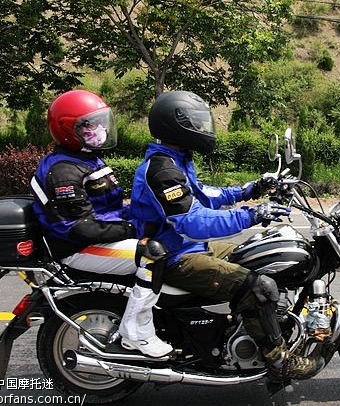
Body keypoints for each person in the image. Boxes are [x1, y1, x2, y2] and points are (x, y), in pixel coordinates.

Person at [129, 90, 323, 381]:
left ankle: (254, 324)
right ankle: (278, 359)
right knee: (257, 286)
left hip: (188, 246)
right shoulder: (161, 170)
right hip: (176, 256)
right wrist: (252, 214)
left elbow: (204, 195)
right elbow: (193, 222)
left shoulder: (175, 160)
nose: (203, 129)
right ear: (176, 125)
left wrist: (251, 189)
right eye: (196, 123)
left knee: (255, 255)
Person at [29, 89, 172, 358]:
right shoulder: (64, 171)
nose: (98, 129)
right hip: (76, 247)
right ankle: (136, 332)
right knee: (151, 255)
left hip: (95, 237)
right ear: (66, 129)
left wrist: (148, 211)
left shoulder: (84, 159)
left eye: (98, 121)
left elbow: (108, 208)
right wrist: (136, 228)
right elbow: (80, 228)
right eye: (87, 124)